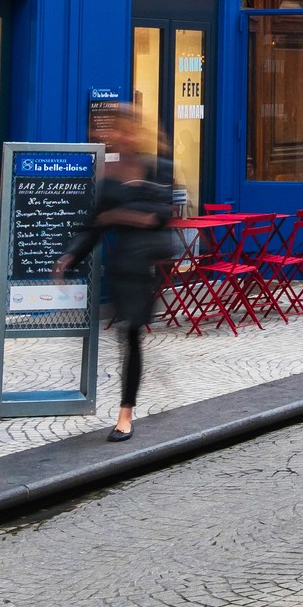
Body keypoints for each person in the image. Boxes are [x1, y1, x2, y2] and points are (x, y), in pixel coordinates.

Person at [54, 106, 176, 444]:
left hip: (148, 267)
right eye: (114, 131)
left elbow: (159, 217)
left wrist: (116, 216)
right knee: (126, 335)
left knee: (131, 333)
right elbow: (94, 223)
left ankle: (125, 414)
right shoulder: (109, 175)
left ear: (138, 131)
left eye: (125, 130)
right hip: (123, 265)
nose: (117, 137)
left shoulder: (160, 167)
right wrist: (70, 255)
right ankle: (127, 408)